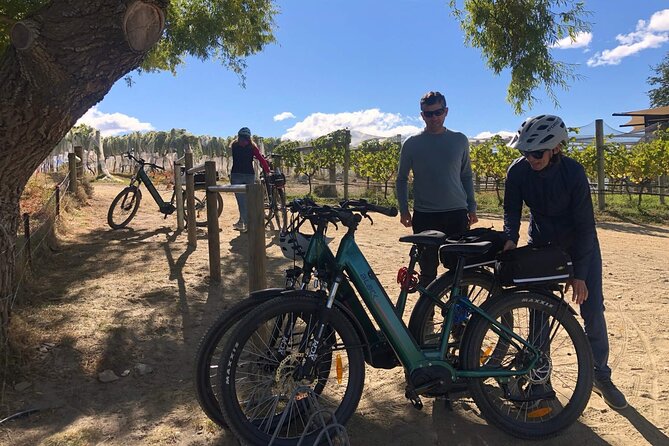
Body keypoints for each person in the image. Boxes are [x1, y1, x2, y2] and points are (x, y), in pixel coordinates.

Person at [502, 114, 627, 410]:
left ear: (556, 148)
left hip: (580, 245)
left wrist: (580, 274)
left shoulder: (573, 173)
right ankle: (539, 377)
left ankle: (600, 375)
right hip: (542, 244)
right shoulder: (517, 172)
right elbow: (511, 210)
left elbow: (586, 226)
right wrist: (509, 238)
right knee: (539, 310)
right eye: (525, 152)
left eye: (537, 153)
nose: (530, 158)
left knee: (592, 308)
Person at [396, 91, 478, 287]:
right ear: (422, 115)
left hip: (456, 213)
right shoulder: (411, 144)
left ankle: (458, 315)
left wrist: (472, 207)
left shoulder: (459, 140)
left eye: (438, 112)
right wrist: (404, 209)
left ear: (446, 111)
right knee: (427, 271)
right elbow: (401, 179)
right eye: (428, 113)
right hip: (425, 215)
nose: (434, 118)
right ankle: (426, 317)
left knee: (459, 270)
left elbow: (466, 175)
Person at [230, 127, 270, 232]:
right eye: (242, 139)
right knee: (246, 201)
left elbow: (260, 158)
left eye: (245, 139)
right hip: (246, 175)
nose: (243, 141)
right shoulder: (252, 147)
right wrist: (267, 170)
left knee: (243, 201)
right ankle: (242, 222)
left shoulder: (234, 145)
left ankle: (245, 223)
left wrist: (266, 169)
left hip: (238, 175)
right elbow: (261, 159)